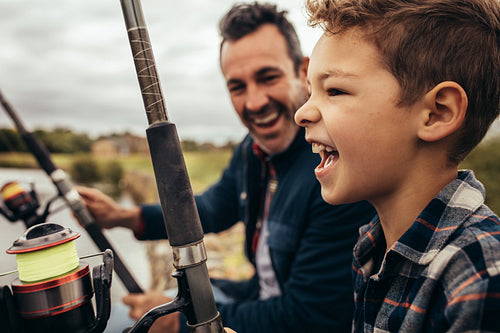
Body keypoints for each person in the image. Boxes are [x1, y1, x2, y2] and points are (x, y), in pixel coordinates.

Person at [77, 2, 375, 333]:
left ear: (302, 71)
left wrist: (179, 321)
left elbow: (309, 317)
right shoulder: (253, 150)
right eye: (237, 86)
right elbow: (212, 208)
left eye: (268, 77)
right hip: (253, 299)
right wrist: (123, 217)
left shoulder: (336, 173)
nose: (254, 102)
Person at [295, 0, 500, 331]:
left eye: (335, 90)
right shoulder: (374, 249)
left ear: (437, 113)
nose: (301, 113)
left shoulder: (480, 275)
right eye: (309, 92)